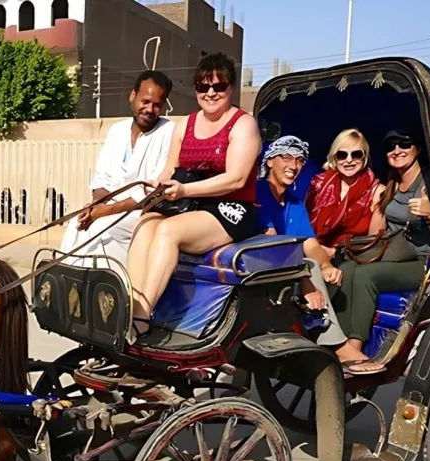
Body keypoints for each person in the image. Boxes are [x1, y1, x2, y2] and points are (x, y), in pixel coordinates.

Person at [126, 52, 261, 341]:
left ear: (231, 88)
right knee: (145, 222)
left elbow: (235, 178)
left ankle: (141, 316)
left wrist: (185, 190)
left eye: (218, 86)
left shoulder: (243, 124)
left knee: (167, 231)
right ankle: (133, 303)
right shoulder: (184, 124)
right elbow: (170, 169)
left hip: (230, 208)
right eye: (203, 86)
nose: (210, 92)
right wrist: (157, 185)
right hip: (191, 204)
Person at [331, 128, 430, 374]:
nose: (397, 150)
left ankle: (355, 344)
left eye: (404, 144)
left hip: (426, 261)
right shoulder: (392, 184)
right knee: (347, 268)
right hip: (395, 254)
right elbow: (378, 232)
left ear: (417, 149)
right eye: (391, 146)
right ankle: (341, 344)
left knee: (368, 275)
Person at [59, 70, 175, 268]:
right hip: (107, 206)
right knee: (75, 225)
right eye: (145, 101)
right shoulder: (117, 131)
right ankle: (69, 286)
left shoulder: (169, 132)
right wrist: (96, 206)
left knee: (104, 228)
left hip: (143, 212)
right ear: (133, 96)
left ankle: (115, 294)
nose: (149, 109)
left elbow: (151, 192)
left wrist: (104, 212)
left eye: (157, 105)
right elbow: (101, 179)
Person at [256, 135, 347, 348]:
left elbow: (310, 243)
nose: (294, 165)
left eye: (299, 160)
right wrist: (306, 281)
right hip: (259, 267)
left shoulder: (294, 202)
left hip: (284, 267)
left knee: (331, 271)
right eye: (286, 158)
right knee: (310, 267)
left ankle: (313, 327)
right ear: (270, 161)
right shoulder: (259, 192)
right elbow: (272, 244)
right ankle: (334, 343)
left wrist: (327, 266)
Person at [305, 128, 385, 257]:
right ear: (334, 158)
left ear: (364, 157)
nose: (349, 160)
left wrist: (336, 253)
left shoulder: (378, 192)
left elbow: (374, 243)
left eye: (356, 154)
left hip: (353, 257)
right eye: (342, 155)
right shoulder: (317, 185)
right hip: (313, 252)